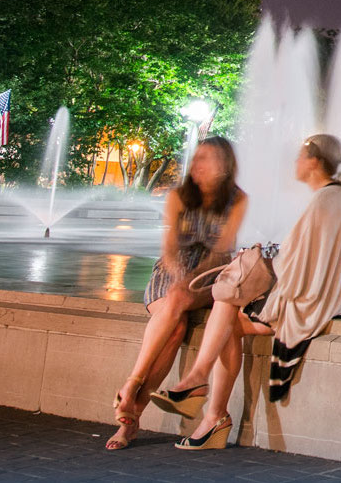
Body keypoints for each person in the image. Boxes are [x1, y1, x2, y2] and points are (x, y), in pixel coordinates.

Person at [150, 134, 341, 451]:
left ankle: (206, 400)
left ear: (314, 162)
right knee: (227, 305)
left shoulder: (325, 201)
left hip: (315, 303)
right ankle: (208, 406)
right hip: (335, 298)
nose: (294, 163)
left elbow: (296, 268)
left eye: (299, 157)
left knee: (225, 306)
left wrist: (260, 267)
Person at [106, 137, 247, 451]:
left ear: (224, 166)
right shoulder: (179, 196)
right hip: (170, 273)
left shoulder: (237, 199)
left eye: (205, 159)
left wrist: (192, 281)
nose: (196, 165)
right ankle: (134, 403)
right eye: (195, 159)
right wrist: (178, 275)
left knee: (180, 300)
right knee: (177, 325)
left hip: (209, 274)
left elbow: (220, 252)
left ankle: (130, 394)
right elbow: (169, 249)